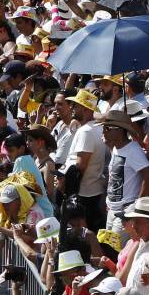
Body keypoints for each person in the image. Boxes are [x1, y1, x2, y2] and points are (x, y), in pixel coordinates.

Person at [99, 110, 149, 237]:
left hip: (126, 211)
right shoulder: (116, 148)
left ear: (119, 130)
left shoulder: (133, 150)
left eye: (107, 128)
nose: (103, 132)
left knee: (117, 251)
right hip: (113, 210)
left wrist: (137, 207)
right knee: (110, 249)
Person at [62, 89, 106, 231]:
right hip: (92, 191)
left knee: (83, 235)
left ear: (87, 109)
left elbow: (80, 166)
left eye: (77, 106)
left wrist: (66, 185)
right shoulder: (96, 128)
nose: (73, 109)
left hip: (83, 194)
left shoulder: (86, 131)